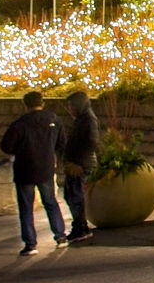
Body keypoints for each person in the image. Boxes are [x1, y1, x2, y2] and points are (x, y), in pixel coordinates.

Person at [0, 90, 67, 255]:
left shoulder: (19, 124)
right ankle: (60, 236)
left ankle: (31, 244)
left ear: (25, 105)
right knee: (50, 201)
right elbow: (62, 143)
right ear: (42, 102)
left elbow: (6, 146)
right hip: (46, 167)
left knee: (26, 207)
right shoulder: (54, 120)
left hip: (25, 169)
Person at [62, 90, 99, 242]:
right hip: (77, 163)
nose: (69, 109)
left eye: (71, 105)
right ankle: (79, 225)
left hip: (81, 164)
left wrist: (78, 163)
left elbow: (91, 142)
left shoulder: (88, 120)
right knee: (71, 195)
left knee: (76, 196)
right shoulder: (82, 119)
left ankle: (80, 227)